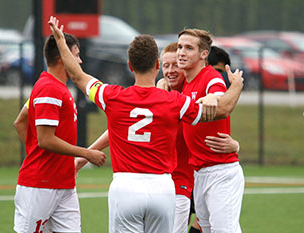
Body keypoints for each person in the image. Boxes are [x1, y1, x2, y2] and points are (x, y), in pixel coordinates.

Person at [48, 16, 243, 233]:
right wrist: (236, 86)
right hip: (163, 189)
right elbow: (222, 110)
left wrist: (60, 41)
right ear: (157, 65)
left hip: (126, 187)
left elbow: (77, 75)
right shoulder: (175, 101)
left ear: (129, 65)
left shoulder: (112, 96)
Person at [13, 32, 106, 233]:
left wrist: (43, 155)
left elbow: (20, 122)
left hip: (64, 183)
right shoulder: (49, 89)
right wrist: (86, 153)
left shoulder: (54, 86)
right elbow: (45, 140)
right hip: (40, 186)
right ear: (62, 57)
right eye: (76, 55)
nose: (80, 61)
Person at [158, 42, 240, 233]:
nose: (171, 70)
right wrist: (89, 151)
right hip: (170, 182)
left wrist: (236, 145)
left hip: (188, 182)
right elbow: (120, 125)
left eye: (176, 65)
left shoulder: (194, 91)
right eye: (165, 65)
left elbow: (221, 105)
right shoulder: (163, 94)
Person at [177, 28, 245, 233]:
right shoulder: (186, 82)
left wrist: (212, 97)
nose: (182, 52)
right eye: (180, 46)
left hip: (220, 172)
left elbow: (217, 94)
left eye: (189, 48)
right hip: (200, 173)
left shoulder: (210, 76)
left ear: (203, 54)